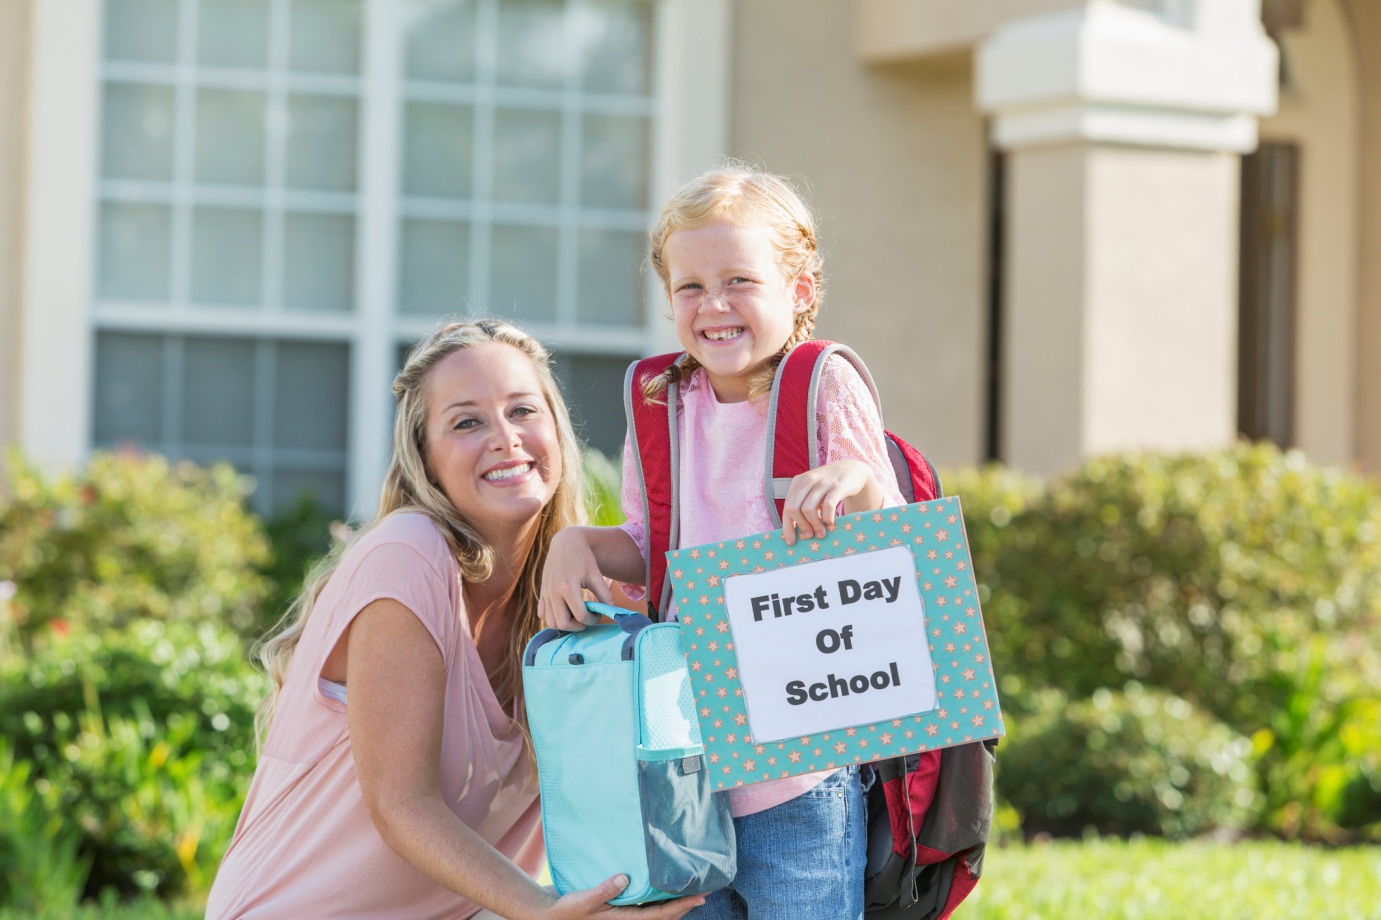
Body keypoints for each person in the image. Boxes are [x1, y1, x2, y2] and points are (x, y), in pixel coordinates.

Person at [206, 320, 703, 920]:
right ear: (426, 461)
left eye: (523, 411)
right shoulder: (406, 553)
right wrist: (543, 909)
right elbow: (400, 804)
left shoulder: (578, 603)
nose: (504, 438)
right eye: (467, 422)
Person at [539, 167, 906, 920]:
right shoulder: (660, 399)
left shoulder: (822, 385)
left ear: (800, 290)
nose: (713, 305)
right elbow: (656, 545)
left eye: (740, 279)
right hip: (683, 757)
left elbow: (893, 545)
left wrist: (853, 482)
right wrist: (581, 543)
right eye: (689, 287)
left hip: (800, 764)